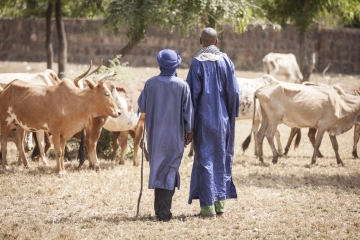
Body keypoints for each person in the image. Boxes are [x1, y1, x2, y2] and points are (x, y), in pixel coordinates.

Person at [186, 27, 240, 219]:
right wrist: (231, 117)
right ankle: (220, 205)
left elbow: (191, 96)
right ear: (216, 42)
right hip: (224, 121)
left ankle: (207, 208)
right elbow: (234, 93)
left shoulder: (196, 63)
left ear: (201, 41)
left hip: (203, 121)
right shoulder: (227, 61)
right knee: (222, 158)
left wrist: (188, 124)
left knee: (205, 161)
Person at [138, 49, 194, 222]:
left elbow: (142, 106)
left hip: (155, 137)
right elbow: (188, 115)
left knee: (158, 169)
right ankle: (163, 213)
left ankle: (160, 211)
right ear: (176, 64)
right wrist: (188, 133)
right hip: (175, 137)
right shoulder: (182, 85)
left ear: (159, 64)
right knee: (169, 170)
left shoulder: (150, 83)